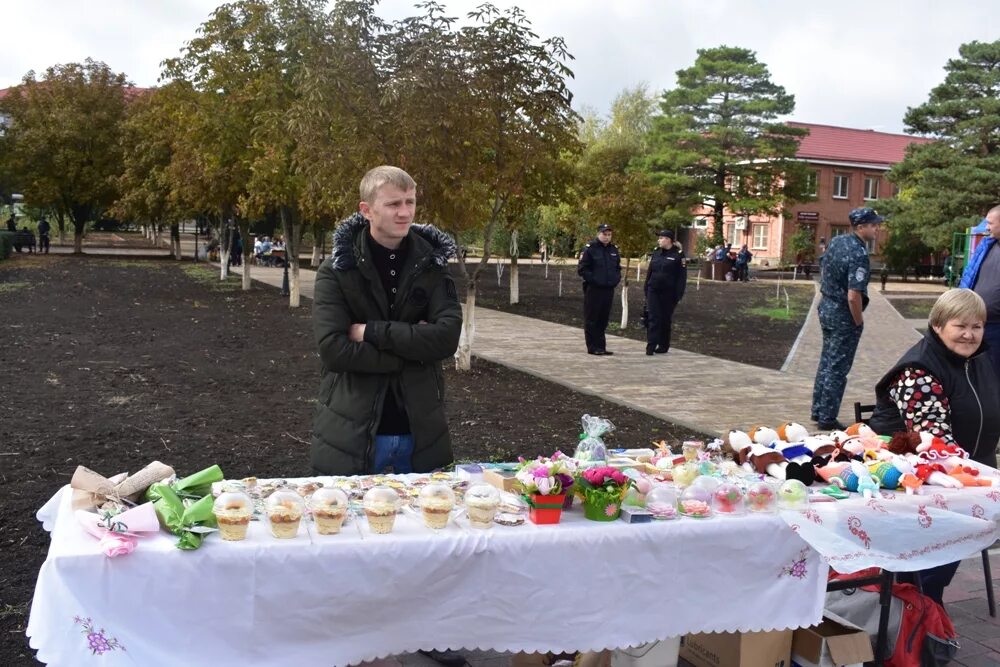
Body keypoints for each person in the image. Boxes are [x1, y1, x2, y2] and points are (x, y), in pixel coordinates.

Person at [311, 165, 462, 476]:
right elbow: (333, 349)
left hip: (421, 433)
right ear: (366, 210)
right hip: (351, 435)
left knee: (429, 521)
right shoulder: (338, 269)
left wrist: (371, 331)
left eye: (410, 202)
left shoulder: (433, 265)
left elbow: (446, 339)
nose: (405, 212)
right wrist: (412, 351)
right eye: (394, 204)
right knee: (349, 521)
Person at [868, 288, 1000, 604]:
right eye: (960, 326)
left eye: (977, 326)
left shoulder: (977, 360)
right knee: (952, 533)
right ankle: (918, 601)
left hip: (968, 475)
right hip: (915, 481)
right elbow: (935, 445)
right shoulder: (918, 370)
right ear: (938, 326)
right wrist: (981, 480)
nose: (969, 335)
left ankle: (925, 600)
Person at [811, 207, 883, 430]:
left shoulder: (838, 241)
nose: (877, 229)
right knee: (838, 367)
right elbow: (854, 296)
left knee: (826, 362)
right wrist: (858, 321)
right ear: (861, 227)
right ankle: (828, 418)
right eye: (873, 225)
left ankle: (818, 410)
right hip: (843, 314)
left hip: (826, 307)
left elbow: (824, 266)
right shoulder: (859, 253)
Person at [959, 204, 1000, 380]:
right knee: (975, 374)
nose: (987, 227)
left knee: (993, 376)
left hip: (996, 327)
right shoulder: (987, 245)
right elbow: (969, 275)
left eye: (991, 223)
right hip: (976, 323)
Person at [577, 223, 622, 355]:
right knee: (592, 318)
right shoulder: (589, 249)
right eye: (604, 234)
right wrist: (595, 280)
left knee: (603, 318)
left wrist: (615, 280)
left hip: (608, 289)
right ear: (598, 234)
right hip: (594, 289)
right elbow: (582, 269)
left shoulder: (613, 250)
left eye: (609, 235)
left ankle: (601, 346)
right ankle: (592, 347)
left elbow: (617, 268)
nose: (607, 237)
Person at [644, 230, 687, 355]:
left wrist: (678, 295)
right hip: (654, 290)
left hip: (669, 293)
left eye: (661, 238)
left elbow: (681, 278)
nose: (659, 240)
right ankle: (651, 346)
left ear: (668, 239)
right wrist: (646, 287)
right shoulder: (656, 253)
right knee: (653, 318)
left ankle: (663, 345)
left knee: (665, 319)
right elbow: (650, 272)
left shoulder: (678, 255)